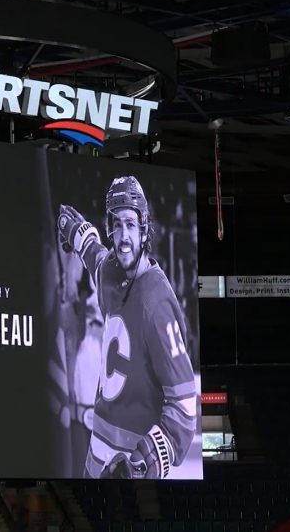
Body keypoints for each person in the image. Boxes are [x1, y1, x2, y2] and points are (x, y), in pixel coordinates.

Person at [57, 175, 198, 479]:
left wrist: (148, 457)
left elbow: (185, 404)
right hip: (97, 448)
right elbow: (92, 254)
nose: (124, 236)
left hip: (131, 461)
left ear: (144, 229)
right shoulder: (110, 270)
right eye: (117, 224)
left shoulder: (157, 303)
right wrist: (76, 233)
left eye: (131, 225)